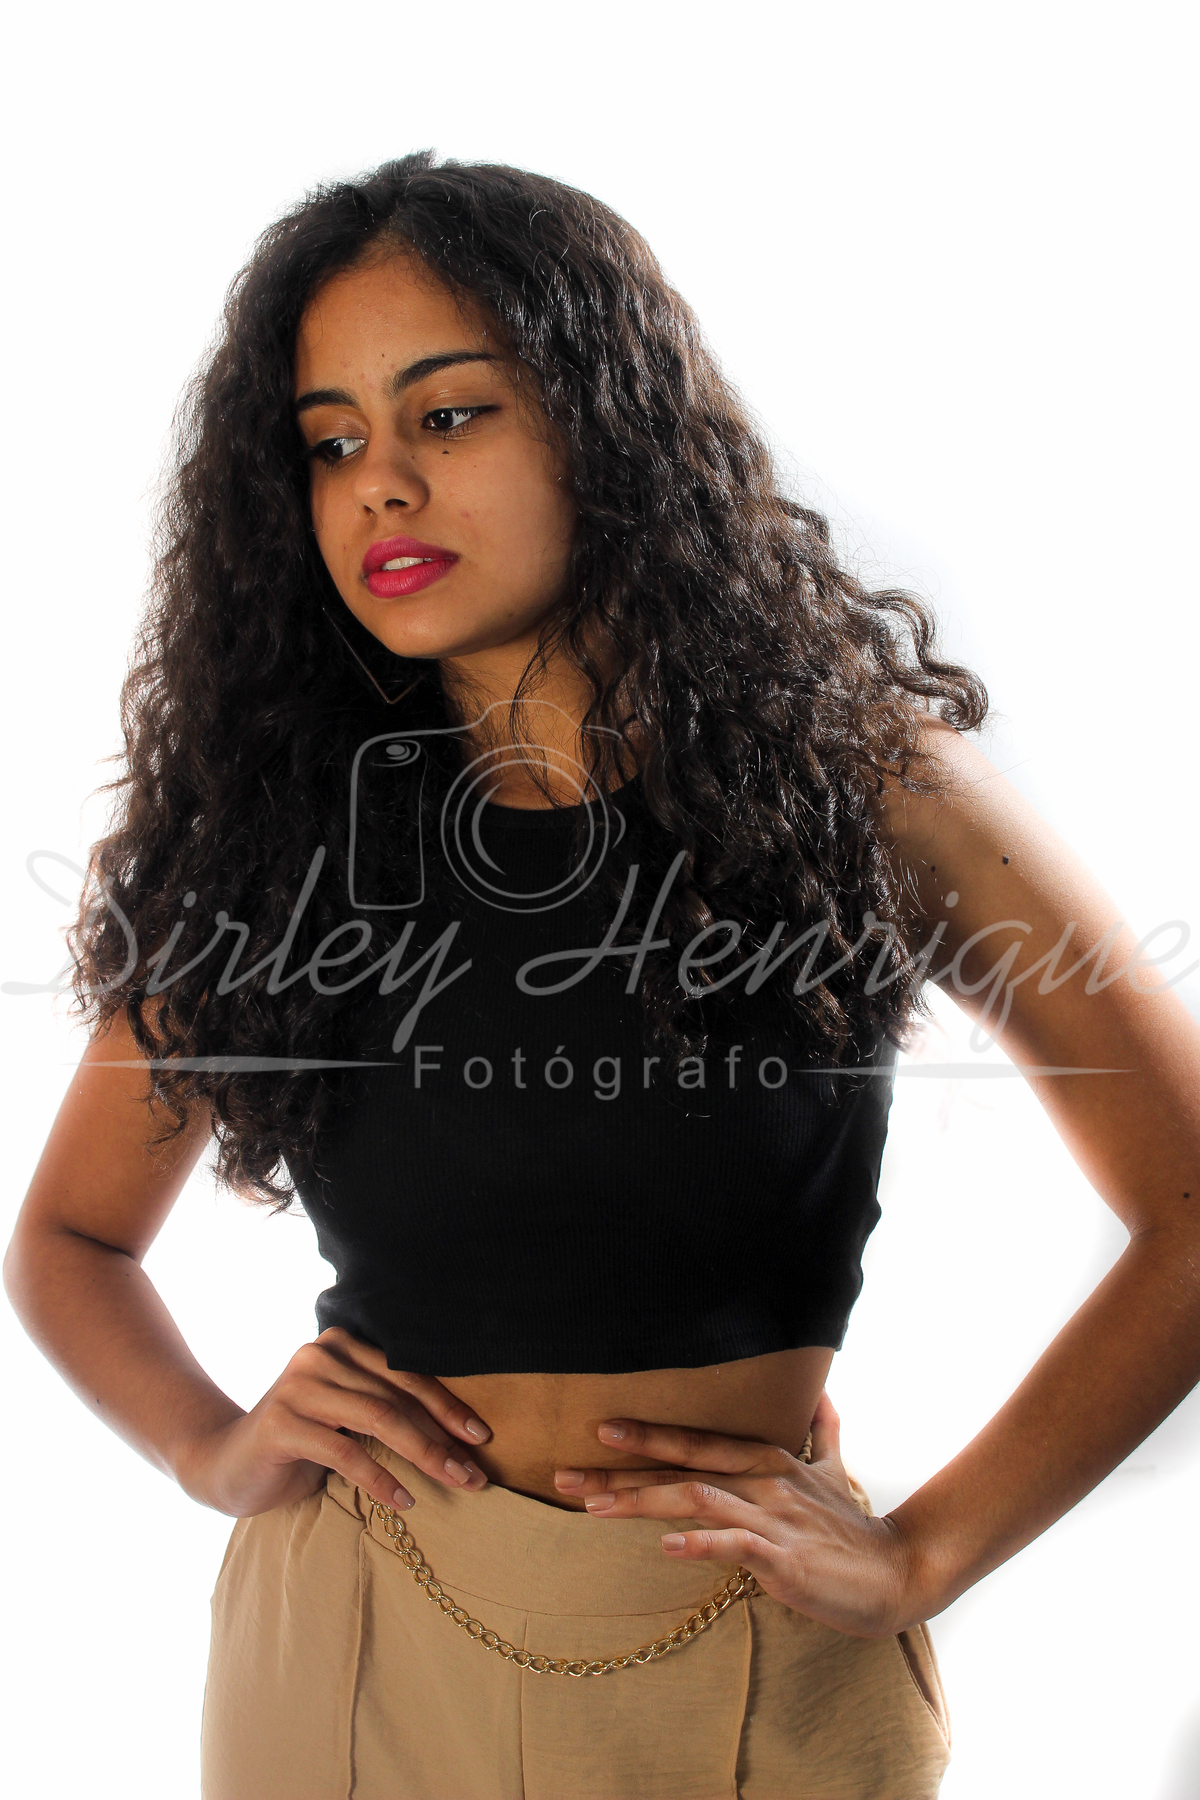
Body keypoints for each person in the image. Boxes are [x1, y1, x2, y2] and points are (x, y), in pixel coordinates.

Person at [6, 151, 1200, 1800]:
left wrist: (929, 1555)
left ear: (604, 422)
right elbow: (69, 1240)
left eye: (448, 416)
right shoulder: (274, 838)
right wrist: (209, 1446)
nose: (379, 487)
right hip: (356, 1639)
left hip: (752, 1648)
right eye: (332, 442)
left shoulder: (863, 790)